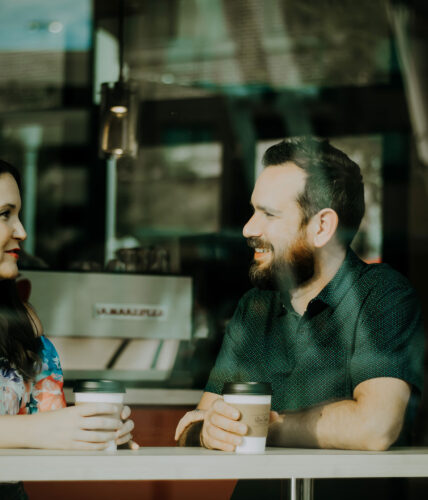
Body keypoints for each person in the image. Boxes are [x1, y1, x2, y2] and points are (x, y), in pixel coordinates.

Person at [175, 137, 424, 497]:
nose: (248, 228)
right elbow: (194, 424)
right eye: (252, 211)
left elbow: (374, 427)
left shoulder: (382, 295)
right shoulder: (254, 307)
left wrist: (264, 426)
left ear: (322, 227)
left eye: (268, 214)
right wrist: (206, 431)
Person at [0, 148, 137, 500]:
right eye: (4, 214)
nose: (21, 232)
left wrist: (96, 432)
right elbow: (37, 430)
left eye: (18, 215)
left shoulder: (22, 331)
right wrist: (35, 430)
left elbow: (49, 430)